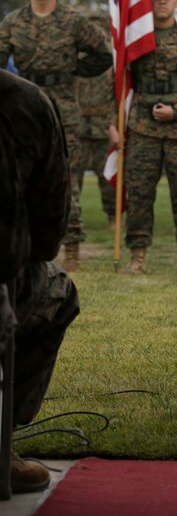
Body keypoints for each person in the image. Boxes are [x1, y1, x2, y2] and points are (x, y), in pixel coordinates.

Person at [0, 0, 113, 272]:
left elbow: (102, 55)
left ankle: (72, 247)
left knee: (67, 180)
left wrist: (71, 69)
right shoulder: (13, 21)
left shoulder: (74, 21)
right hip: (21, 106)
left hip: (62, 105)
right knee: (18, 176)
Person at [0, 70, 79, 494]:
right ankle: (1, 443)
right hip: (3, 289)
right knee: (57, 290)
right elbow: (48, 237)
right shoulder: (22, 101)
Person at [109, 0, 177, 276]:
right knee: (139, 195)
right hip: (142, 129)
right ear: (147, 1)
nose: (162, 2)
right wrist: (114, 123)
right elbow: (118, 82)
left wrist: (176, 110)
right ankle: (137, 257)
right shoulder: (136, 41)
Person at [76, 12, 116, 229]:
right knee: (73, 176)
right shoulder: (77, 61)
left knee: (106, 175)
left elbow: (118, 97)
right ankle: (71, 218)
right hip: (79, 126)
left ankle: (113, 216)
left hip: (104, 126)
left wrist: (114, 124)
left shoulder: (111, 62)